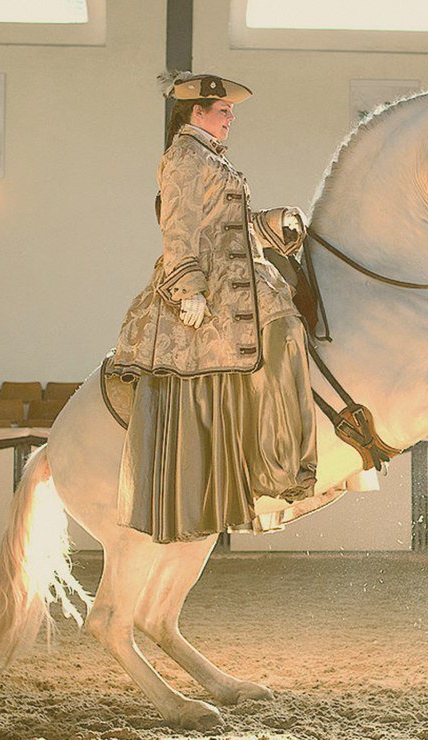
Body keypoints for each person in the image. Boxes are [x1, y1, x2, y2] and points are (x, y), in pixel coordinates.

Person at [108, 71, 317, 544]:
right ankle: (278, 463)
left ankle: (285, 457)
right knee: (283, 332)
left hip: (242, 276)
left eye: (230, 114)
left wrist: (273, 222)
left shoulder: (212, 160)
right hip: (214, 286)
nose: (230, 119)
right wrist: (189, 288)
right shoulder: (184, 157)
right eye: (223, 112)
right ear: (196, 112)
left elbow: (234, 228)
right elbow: (176, 225)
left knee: (288, 325)